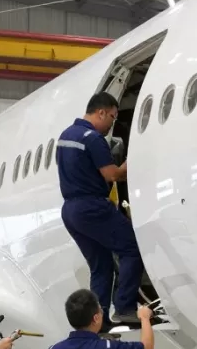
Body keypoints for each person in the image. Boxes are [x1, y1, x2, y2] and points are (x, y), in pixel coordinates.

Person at [57, 92, 144, 328]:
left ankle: (99, 322)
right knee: (132, 248)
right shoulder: (93, 139)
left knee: (101, 266)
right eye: (112, 118)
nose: (111, 125)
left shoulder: (66, 136)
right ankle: (125, 307)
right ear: (101, 112)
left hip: (70, 211)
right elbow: (112, 175)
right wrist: (137, 156)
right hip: (92, 207)